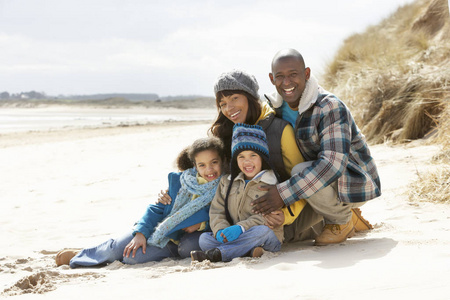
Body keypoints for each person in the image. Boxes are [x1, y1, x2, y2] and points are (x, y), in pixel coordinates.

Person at [251, 48, 381, 246]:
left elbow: (332, 165)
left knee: (300, 169)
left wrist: (282, 193)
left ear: (307, 74)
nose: (286, 83)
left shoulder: (329, 106)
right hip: (314, 183)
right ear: (271, 79)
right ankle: (344, 215)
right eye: (280, 76)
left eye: (293, 74)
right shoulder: (274, 108)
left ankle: (340, 220)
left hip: (352, 182)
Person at [55, 137, 225, 268]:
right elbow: (156, 209)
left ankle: (98, 254)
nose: (209, 170)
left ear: (222, 162)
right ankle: (83, 254)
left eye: (214, 163)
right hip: (159, 230)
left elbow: (227, 216)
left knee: (131, 258)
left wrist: (202, 224)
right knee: (118, 248)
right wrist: (141, 233)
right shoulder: (181, 181)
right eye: (202, 165)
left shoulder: (226, 186)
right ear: (195, 165)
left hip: (178, 241)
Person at [191, 123, 283, 262]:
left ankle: (219, 254)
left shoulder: (270, 183)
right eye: (241, 156)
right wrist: (221, 229)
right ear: (235, 159)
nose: (247, 161)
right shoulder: (226, 182)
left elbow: (266, 218)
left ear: (262, 157)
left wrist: (241, 228)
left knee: (262, 232)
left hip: (263, 235)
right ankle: (248, 251)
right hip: (237, 237)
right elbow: (217, 210)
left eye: (253, 155)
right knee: (204, 239)